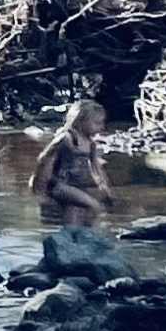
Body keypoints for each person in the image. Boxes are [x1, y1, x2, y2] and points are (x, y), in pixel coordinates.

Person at [38, 97, 115, 231]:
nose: (101, 127)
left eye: (102, 123)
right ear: (81, 121)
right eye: (97, 123)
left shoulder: (90, 143)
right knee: (94, 206)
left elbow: (96, 168)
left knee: (77, 211)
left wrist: (105, 188)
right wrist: (41, 190)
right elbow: (45, 160)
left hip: (76, 186)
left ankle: (78, 236)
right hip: (59, 185)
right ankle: (84, 235)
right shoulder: (67, 139)